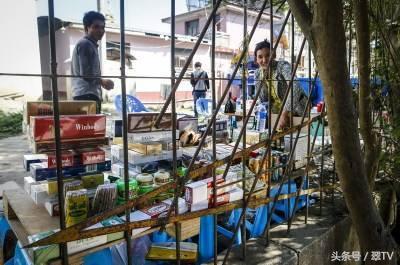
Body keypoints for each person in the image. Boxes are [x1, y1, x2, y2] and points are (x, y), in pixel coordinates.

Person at [254, 39, 308, 129]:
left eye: (268, 55)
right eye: (260, 57)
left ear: (273, 55)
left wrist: (284, 113)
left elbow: (295, 87)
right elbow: (263, 100)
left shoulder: (283, 66)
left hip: (296, 111)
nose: (264, 60)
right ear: (256, 59)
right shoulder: (258, 74)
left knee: (298, 139)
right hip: (276, 114)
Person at [72, 11, 114, 113]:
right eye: (96, 27)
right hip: (86, 96)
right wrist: (103, 81)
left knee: (90, 128)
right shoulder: (85, 44)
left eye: (103, 27)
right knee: (90, 128)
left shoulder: (90, 45)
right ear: (87, 28)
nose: (101, 30)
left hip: (87, 95)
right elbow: (86, 74)